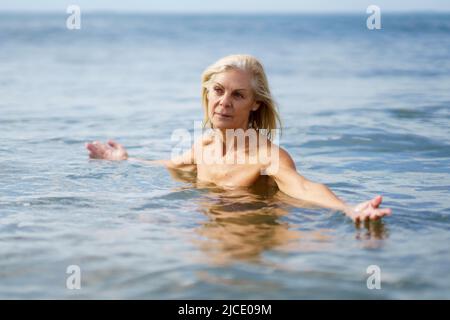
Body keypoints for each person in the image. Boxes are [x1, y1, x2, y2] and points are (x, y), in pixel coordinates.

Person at [86, 54, 392, 223]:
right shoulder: (203, 146)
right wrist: (126, 160)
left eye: (238, 95)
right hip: (210, 228)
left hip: (251, 229)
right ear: (207, 94)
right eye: (218, 91)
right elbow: (171, 165)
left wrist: (347, 209)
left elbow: (302, 186)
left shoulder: (267, 156)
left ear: (255, 103)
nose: (224, 102)